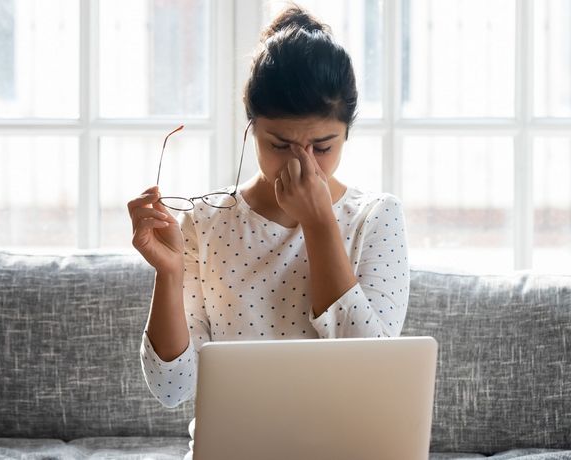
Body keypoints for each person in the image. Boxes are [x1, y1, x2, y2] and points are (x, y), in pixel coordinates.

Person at [129, 4, 410, 458]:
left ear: (347, 133)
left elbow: (369, 370)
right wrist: (169, 275)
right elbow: (171, 388)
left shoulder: (376, 218)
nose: (301, 163)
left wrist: (319, 223)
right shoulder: (205, 223)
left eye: (322, 147)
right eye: (278, 145)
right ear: (251, 128)